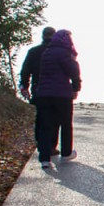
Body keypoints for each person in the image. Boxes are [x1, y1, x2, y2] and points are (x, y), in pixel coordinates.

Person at [33, 28, 81, 172]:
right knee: (66, 123)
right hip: (62, 95)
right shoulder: (64, 53)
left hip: (44, 95)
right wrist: (76, 87)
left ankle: (45, 159)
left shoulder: (46, 52)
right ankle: (66, 153)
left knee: (46, 126)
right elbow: (73, 71)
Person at [18, 25, 54, 100]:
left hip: (39, 89)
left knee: (41, 111)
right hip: (59, 92)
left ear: (42, 36)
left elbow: (25, 71)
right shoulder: (62, 52)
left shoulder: (33, 51)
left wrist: (24, 87)